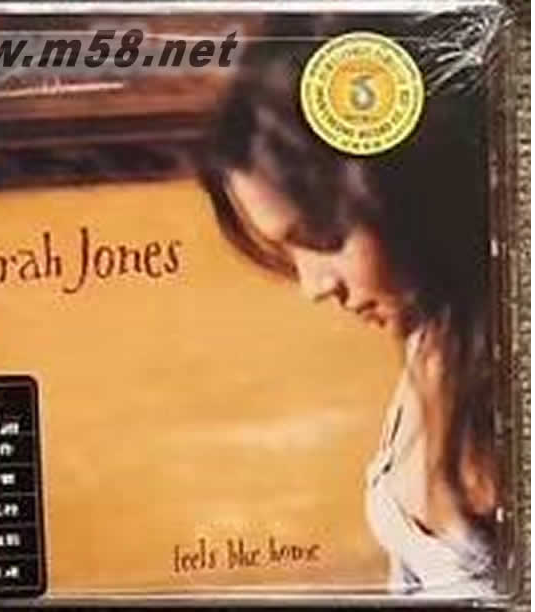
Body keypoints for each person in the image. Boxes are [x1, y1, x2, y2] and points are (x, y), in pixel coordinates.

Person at [198, 15, 498, 596]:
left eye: (320, 236)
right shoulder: (431, 333)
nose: (314, 286)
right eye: (285, 251)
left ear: (406, 191)